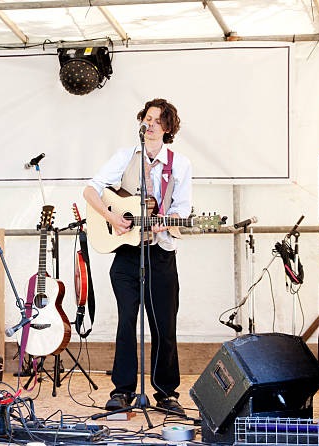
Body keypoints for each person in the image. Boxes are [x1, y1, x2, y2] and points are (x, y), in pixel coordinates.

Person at [83, 98, 191, 415]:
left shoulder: (179, 163)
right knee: (127, 322)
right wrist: (112, 216)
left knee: (163, 325)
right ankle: (122, 391)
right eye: (147, 118)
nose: (151, 124)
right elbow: (91, 189)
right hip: (127, 257)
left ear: (168, 127)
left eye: (158, 120)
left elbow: (183, 208)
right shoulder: (125, 156)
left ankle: (166, 392)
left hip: (160, 255)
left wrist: (166, 221)